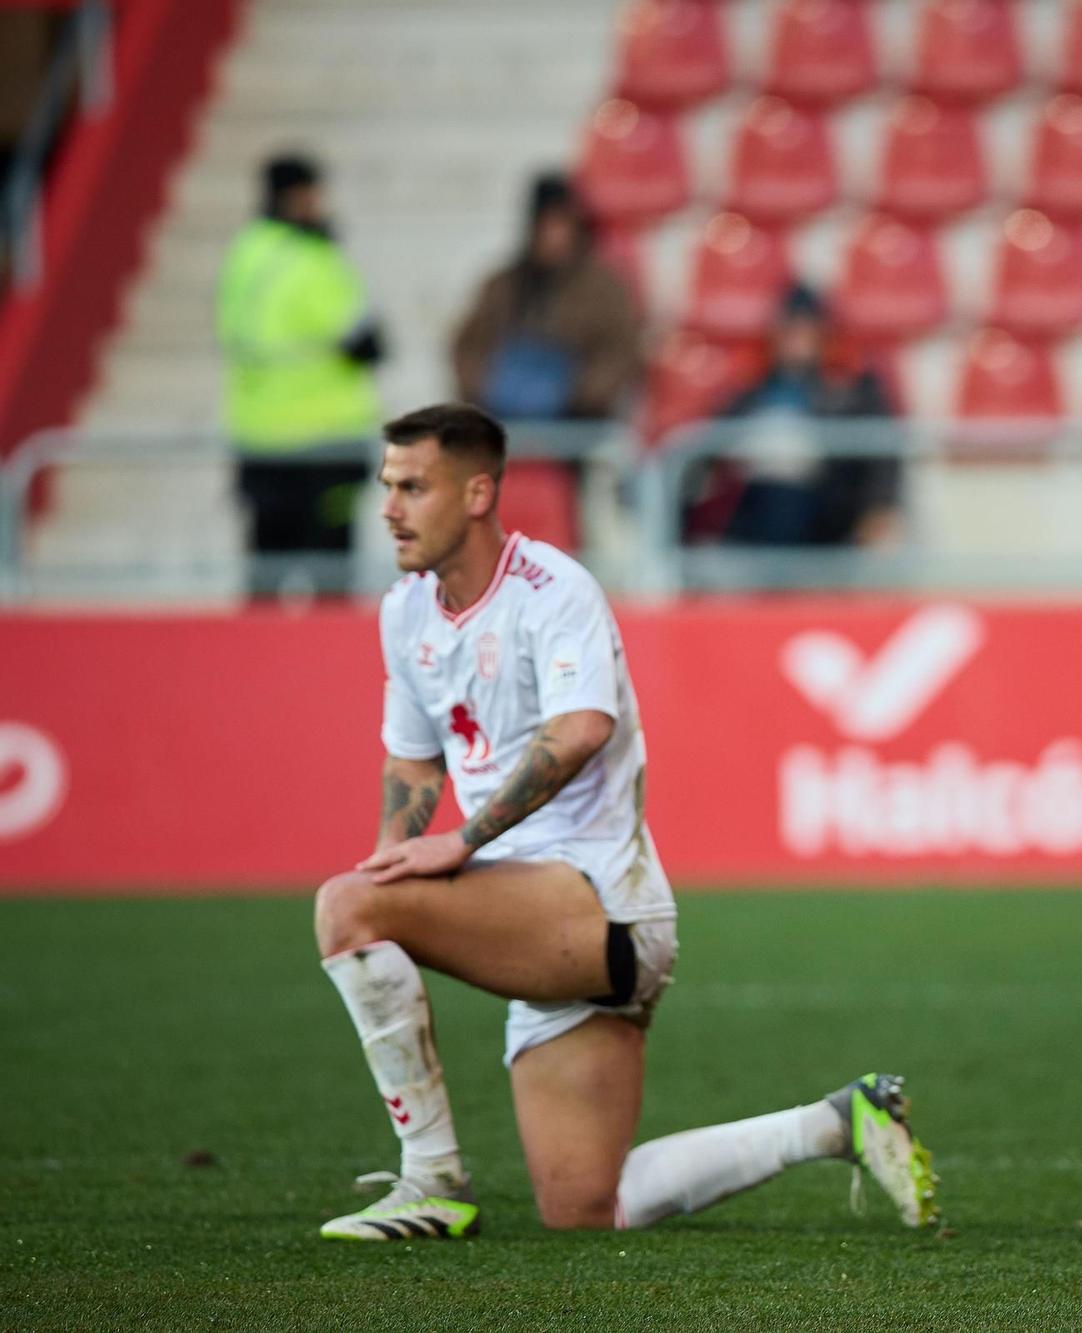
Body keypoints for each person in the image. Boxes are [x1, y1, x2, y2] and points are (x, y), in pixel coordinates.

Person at [310, 403, 938, 1241]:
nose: (388, 507)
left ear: (477, 493)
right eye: (387, 485)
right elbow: (415, 758)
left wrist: (455, 844)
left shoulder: (552, 589)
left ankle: (430, 1180)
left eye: (413, 487)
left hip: (597, 901)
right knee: (584, 1208)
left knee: (344, 907)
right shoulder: (406, 612)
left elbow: (579, 728)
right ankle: (838, 1121)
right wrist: (395, 854)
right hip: (534, 913)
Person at [217, 154, 385, 597]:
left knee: (265, 574)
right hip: (324, 440)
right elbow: (366, 342)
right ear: (296, 196)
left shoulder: (245, 252)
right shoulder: (311, 257)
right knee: (331, 578)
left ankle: (252, 663)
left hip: (259, 438)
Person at [685, 285, 901, 548]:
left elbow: (882, 454)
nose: (796, 339)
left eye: (805, 329)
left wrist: (878, 507)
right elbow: (706, 448)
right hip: (754, 501)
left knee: (785, 504)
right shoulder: (751, 390)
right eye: (790, 330)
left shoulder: (853, 389)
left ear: (823, 334)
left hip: (823, 508)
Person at [450, 173, 644, 422]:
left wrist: (580, 396)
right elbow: (467, 345)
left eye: (562, 224)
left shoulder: (604, 289)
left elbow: (620, 350)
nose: (555, 235)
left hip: (576, 427)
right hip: (503, 425)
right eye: (547, 224)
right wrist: (485, 387)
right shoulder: (503, 285)